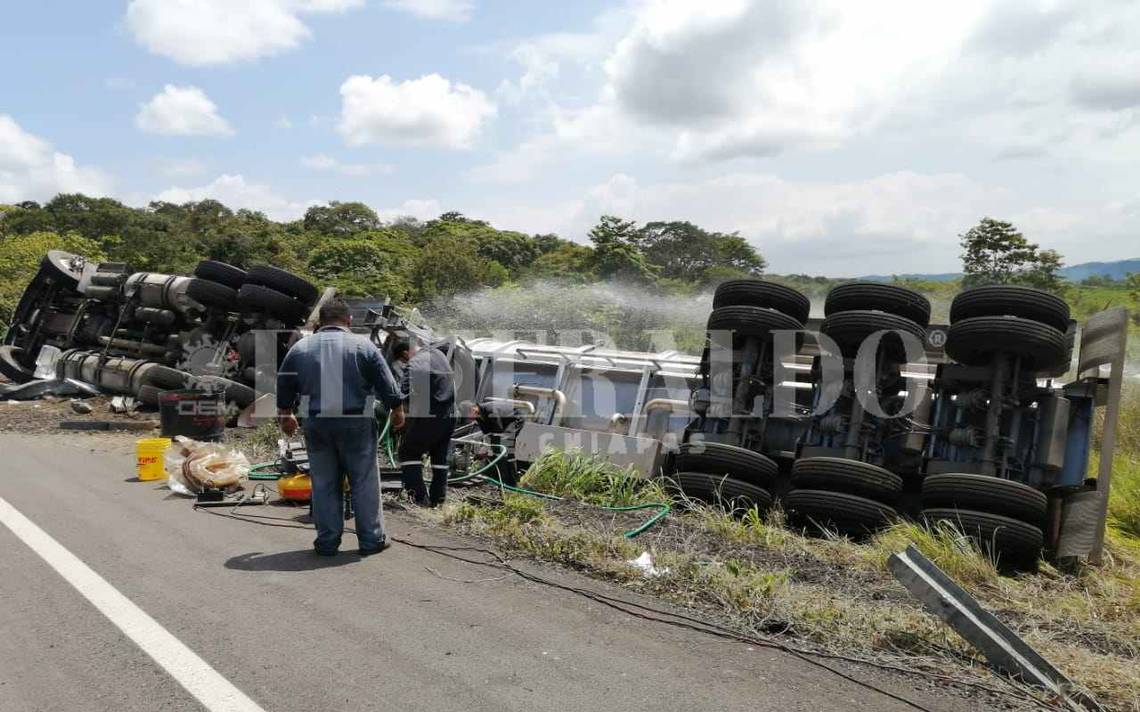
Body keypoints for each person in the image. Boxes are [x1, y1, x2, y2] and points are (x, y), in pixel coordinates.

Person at [276, 299, 405, 557]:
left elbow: (284, 385)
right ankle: (371, 540)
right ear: (348, 321)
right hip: (356, 422)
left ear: (319, 323)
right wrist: (397, 410)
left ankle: (327, 543)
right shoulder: (363, 346)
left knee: (324, 483)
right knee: (364, 482)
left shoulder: (300, 349)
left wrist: (286, 415)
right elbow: (387, 385)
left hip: (317, 423)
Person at [392, 339, 456, 506]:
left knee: (408, 452)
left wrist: (395, 408)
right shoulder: (438, 355)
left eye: (403, 360)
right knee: (439, 456)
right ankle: (438, 500)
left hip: (432, 416)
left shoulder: (415, 363)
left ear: (406, 354)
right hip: (450, 414)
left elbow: (401, 393)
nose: (405, 363)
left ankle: (418, 499)